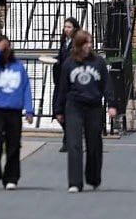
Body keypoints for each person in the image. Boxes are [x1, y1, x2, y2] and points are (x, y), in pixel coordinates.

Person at [54, 30, 117, 193]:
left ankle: (93, 177)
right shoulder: (69, 63)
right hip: (74, 107)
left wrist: (112, 105)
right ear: (79, 45)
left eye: (90, 42)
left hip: (94, 107)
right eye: (86, 43)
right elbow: (63, 88)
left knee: (94, 143)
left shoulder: (99, 63)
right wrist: (58, 110)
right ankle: (75, 182)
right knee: (74, 144)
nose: (90, 45)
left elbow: (107, 84)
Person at [0, 33, 34, 190]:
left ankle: (11, 177)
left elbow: (26, 88)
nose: (6, 50)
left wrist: (29, 110)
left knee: (14, 145)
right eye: (4, 47)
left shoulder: (18, 67)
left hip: (14, 110)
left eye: (7, 47)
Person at [53, 17, 81, 153]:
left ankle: (69, 141)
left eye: (69, 27)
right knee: (57, 110)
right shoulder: (64, 42)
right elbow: (61, 57)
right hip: (61, 80)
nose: (66, 29)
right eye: (65, 27)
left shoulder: (77, 42)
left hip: (72, 81)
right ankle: (68, 137)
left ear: (75, 28)